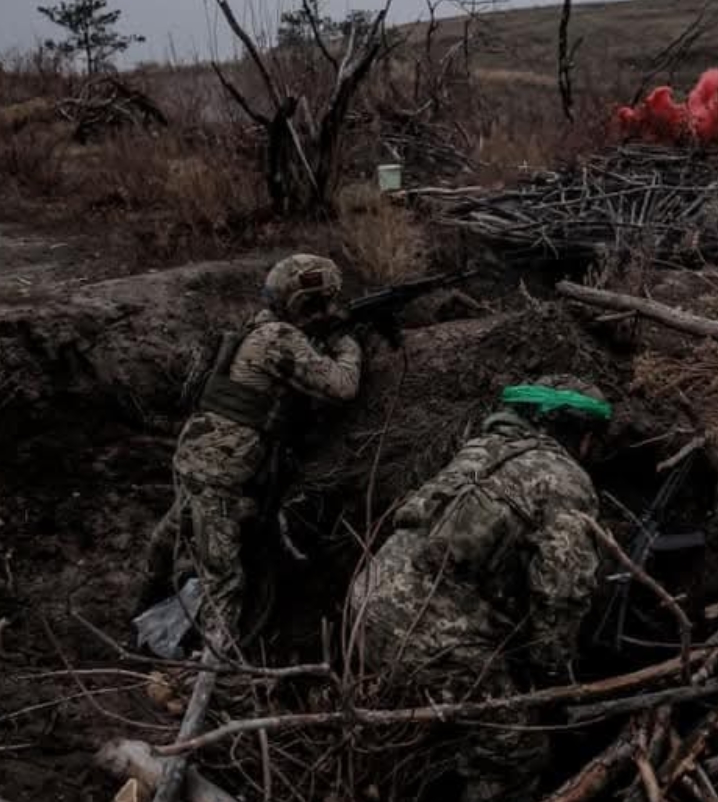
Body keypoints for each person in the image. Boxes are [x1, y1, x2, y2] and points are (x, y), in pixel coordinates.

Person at [347, 374, 610, 802]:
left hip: (365, 607)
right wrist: (552, 671)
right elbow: (564, 592)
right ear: (581, 433)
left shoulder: (480, 449)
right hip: (429, 641)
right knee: (516, 752)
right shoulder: (565, 480)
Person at [141, 254, 363, 648]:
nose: (327, 309)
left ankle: (143, 608)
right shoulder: (277, 338)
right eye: (319, 304)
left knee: (171, 535)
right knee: (224, 580)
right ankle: (211, 673)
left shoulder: (258, 328)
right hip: (219, 476)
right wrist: (347, 345)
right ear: (300, 305)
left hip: (196, 461)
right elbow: (343, 386)